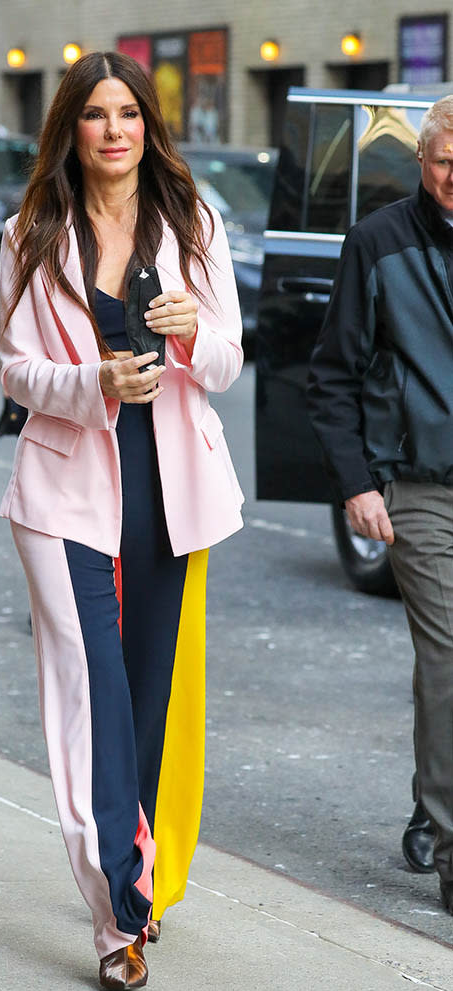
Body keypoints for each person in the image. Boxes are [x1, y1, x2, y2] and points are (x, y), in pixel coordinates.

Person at [0, 51, 243, 991]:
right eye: (96, 115)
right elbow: (16, 369)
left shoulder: (194, 223)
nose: (113, 131)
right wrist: (92, 381)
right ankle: (115, 922)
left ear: (150, 125)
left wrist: (186, 331)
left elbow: (224, 365)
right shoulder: (34, 229)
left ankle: (130, 872)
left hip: (168, 486)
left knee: (142, 705)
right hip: (65, 490)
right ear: (72, 127)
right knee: (89, 698)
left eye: (129, 114)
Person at [307, 93, 453, 911]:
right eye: (444, 163)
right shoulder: (376, 243)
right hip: (418, 485)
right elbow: (330, 375)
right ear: (421, 159)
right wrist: (359, 483)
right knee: (448, 659)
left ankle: (431, 813)